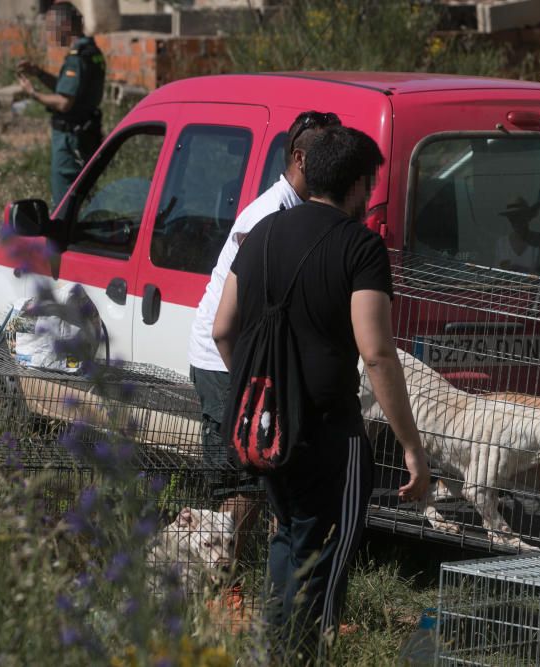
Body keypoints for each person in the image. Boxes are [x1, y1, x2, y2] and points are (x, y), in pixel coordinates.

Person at [212, 125, 430, 662]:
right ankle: (297, 656)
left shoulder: (262, 232)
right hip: (329, 428)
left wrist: (256, 388)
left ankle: (271, 652)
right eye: (371, 184)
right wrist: (410, 446)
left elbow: (222, 328)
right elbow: (377, 353)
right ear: (358, 183)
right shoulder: (360, 246)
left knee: (288, 535)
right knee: (323, 547)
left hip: (265, 425)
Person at [187, 111, 342, 606]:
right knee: (240, 479)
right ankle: (216, 584)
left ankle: (253, 585)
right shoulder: (267, 214)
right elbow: (240, 313)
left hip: (249, 358)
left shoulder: (297, 209)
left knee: (262, 477)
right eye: (324, 154)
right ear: (300, 158)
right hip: (224, 358)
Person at [17, 2, 105, 208]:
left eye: (51, 27)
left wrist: (33, 93)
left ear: (65, 26)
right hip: (86, 135)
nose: (51, 34)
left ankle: (65, 240)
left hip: (71, 141)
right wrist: (38, 72)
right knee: (85, 197)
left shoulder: (77, 58)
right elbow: (67, 88)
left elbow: (64, 102)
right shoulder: (91, 51)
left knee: (65, 202)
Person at [494, 196, 540, 272]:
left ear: (527, 216)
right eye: (511, 217)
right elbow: (497, 275)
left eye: (518, 215)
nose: (515, 220)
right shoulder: (501, 244)